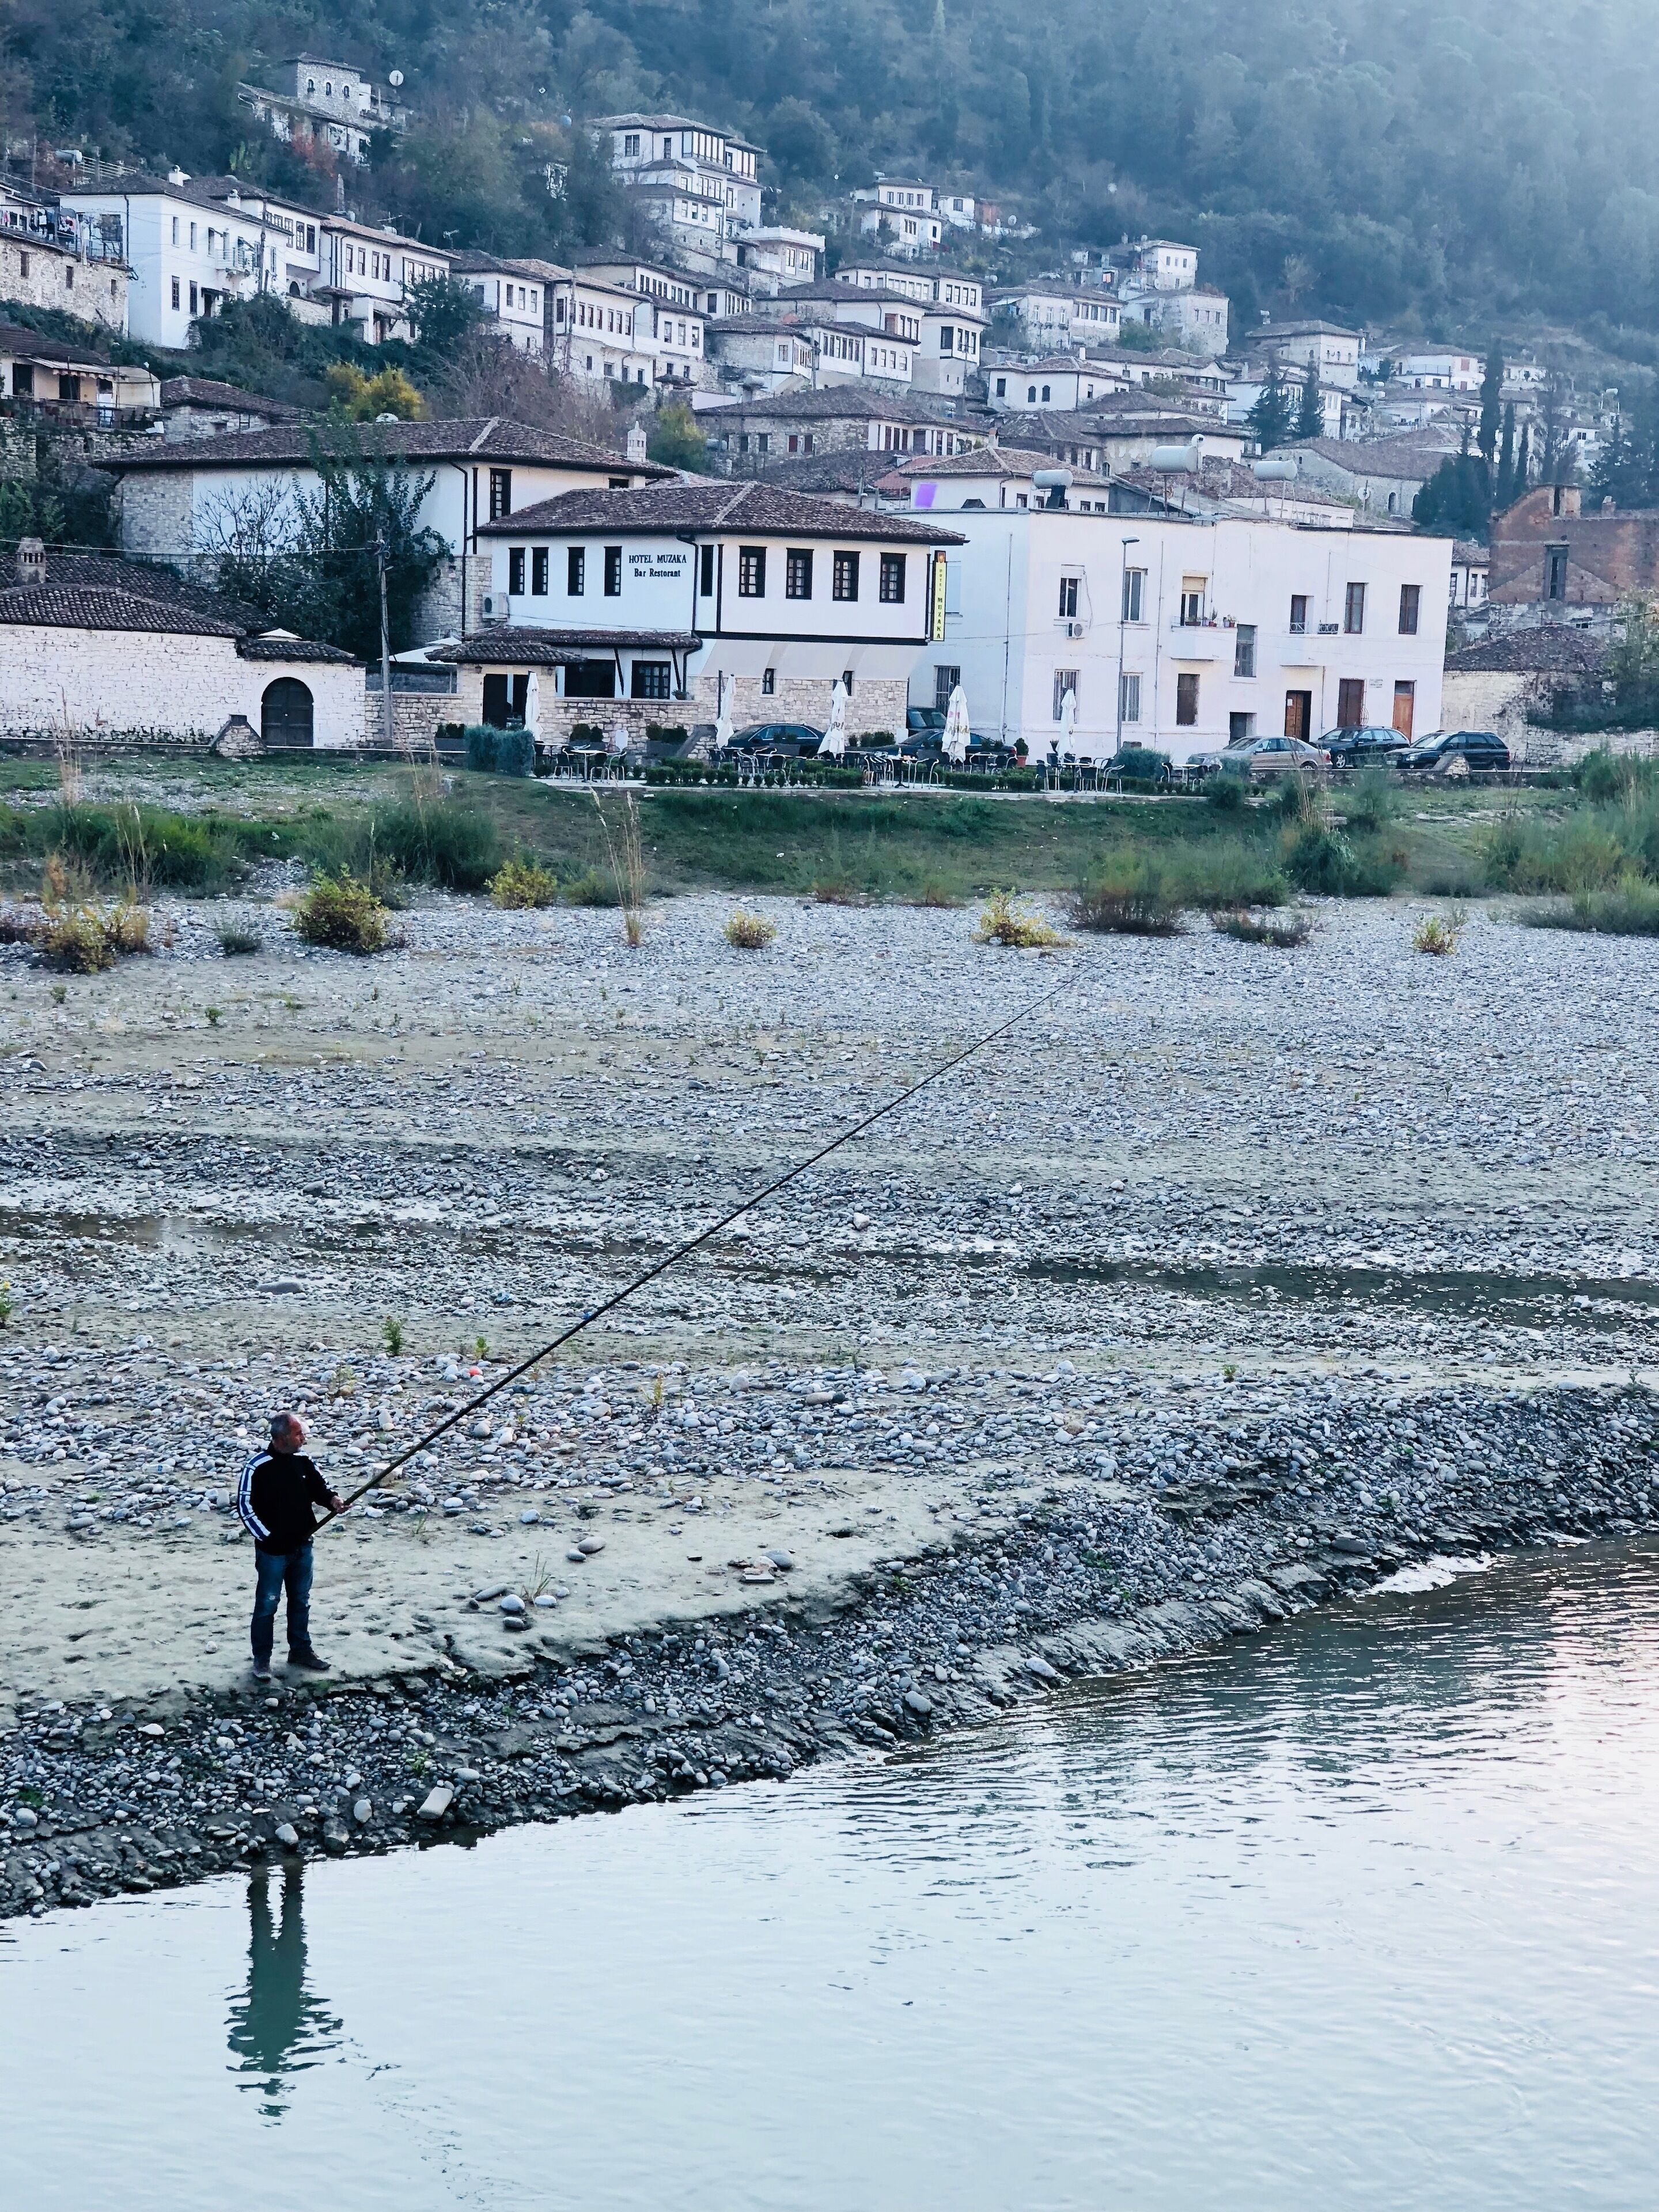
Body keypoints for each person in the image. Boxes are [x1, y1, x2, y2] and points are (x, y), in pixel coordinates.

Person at [237, 1413, 344, 1680]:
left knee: (301, 1601)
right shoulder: (256, 1467)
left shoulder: (304, 1461)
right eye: (298, 1434)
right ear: (281, 1438)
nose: (303, 1438)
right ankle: (262, 1660)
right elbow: (245, 1507)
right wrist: (267, 1538)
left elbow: (321, 1490)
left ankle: (301, 1651)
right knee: (267, 1605)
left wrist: (333, 1501)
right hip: (272, 1552)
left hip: (303, 1546)